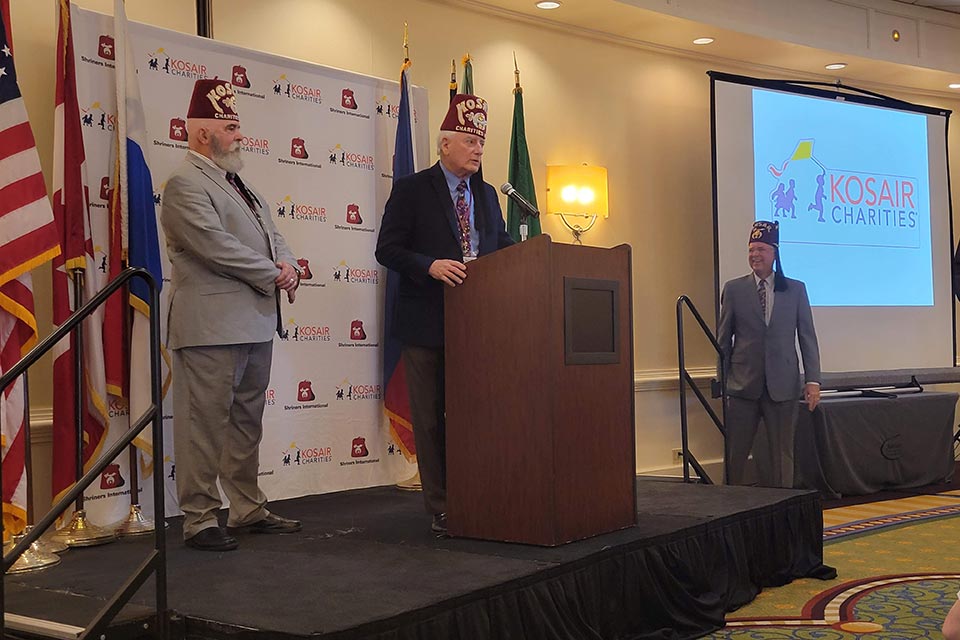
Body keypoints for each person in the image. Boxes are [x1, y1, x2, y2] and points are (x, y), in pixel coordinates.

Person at [161, 78, 303, 551]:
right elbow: (215, 248)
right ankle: (200, 518)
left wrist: (286, 263)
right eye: (231, 126)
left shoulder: (238, 182)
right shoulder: (183, 183)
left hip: (255, 322)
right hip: (209, 327)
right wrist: (274, 274)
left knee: (246, 421)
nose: (239, 135)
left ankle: (246, 508)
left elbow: (271, 232)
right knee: (204, 423)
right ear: (203, 134)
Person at [375, 94, 514, 534]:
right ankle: (441, 505)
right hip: (428, 322)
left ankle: (478, 494)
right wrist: (429, 266)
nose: (477, 149)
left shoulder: (488, 195)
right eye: (470, 140)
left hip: (480, 326)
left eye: (482, 142)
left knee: (476, 414)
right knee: (432, 419)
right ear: (445, 144)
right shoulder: (413, 190)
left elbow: (501, 248)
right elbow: (388, 250)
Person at [717, 220, 821, 488]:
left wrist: (813, 381)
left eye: (761, 249)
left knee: (782, 454)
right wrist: (723, 381)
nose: (755, 255)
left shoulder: (795, 289)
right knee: (735, 455)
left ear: (774, 253)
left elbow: (807, 336)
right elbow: (723, 342)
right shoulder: (734, 289)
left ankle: (781, 506)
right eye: (751, 249)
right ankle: (729, 506)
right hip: (742, 385)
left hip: (783, 386)